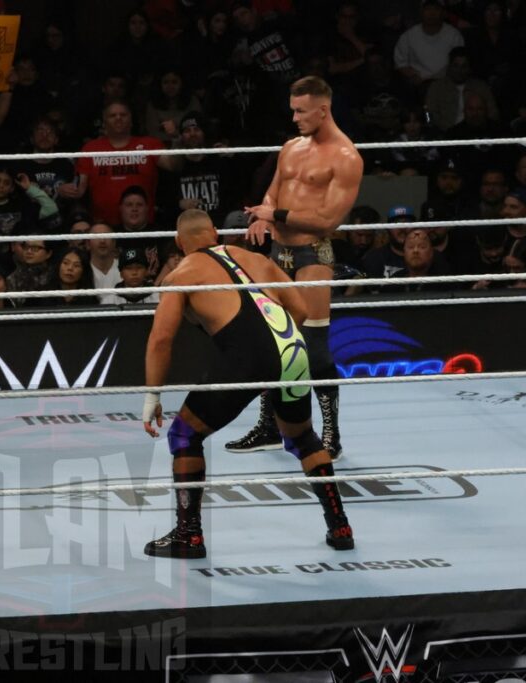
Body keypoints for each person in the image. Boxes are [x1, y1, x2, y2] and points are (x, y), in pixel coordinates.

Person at [141, 210, 353, 558]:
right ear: (214, 233)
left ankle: (188, 535)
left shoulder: (181, 275)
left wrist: (152, 394)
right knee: (302, 437)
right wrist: (275, 356)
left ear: (179, 243)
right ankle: (340, 526)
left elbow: (161, 339)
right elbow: (299, 310)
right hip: (292, 346)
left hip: (247, 355)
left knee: (184, 435)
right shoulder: (256, 258)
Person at [228, 76, 363, 460]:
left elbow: (326, 221)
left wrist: (278, 213)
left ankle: (331, 435)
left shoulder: (346, 157)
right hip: (278, 255)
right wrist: (263, 219)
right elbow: (274, 188)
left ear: (324, 109)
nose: (295, 117)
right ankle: (270, 426)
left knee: (315, 349)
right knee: (274, 342)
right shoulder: (290, 147)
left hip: (312, 257)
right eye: (292, 109)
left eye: (301, 111)